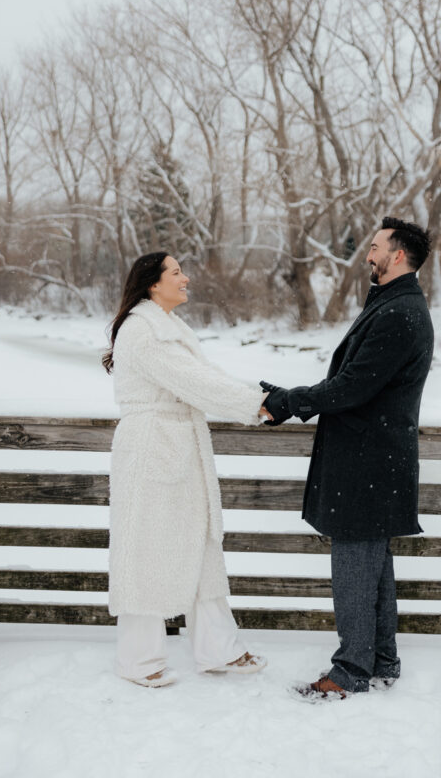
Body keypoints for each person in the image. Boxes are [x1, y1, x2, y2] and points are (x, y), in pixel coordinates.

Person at [261, 217, 434, 701]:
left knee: (355, 567)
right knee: (372, 565)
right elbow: (354, 383)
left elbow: (352, 387)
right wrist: (291, 398)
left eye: (376, 247)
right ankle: (381, 660)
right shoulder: (393, 304)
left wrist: (288, 401)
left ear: (397, 256)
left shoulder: (400, 313)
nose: (369, 253)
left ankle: (351, 670)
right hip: (372, 458)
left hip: (369, 463)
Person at [103, 251, 272, 687]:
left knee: (199, 546)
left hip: (179, 446)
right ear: (153, 284)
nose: (187, 278)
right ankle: (138, 661)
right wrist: (255, 404)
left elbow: (206, 375)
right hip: (151, 450)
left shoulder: (169, 326)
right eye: (177, 272)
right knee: (144, 550)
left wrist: (258, 396)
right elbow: (195, 383)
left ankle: (218, 649)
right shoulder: (144, 331)